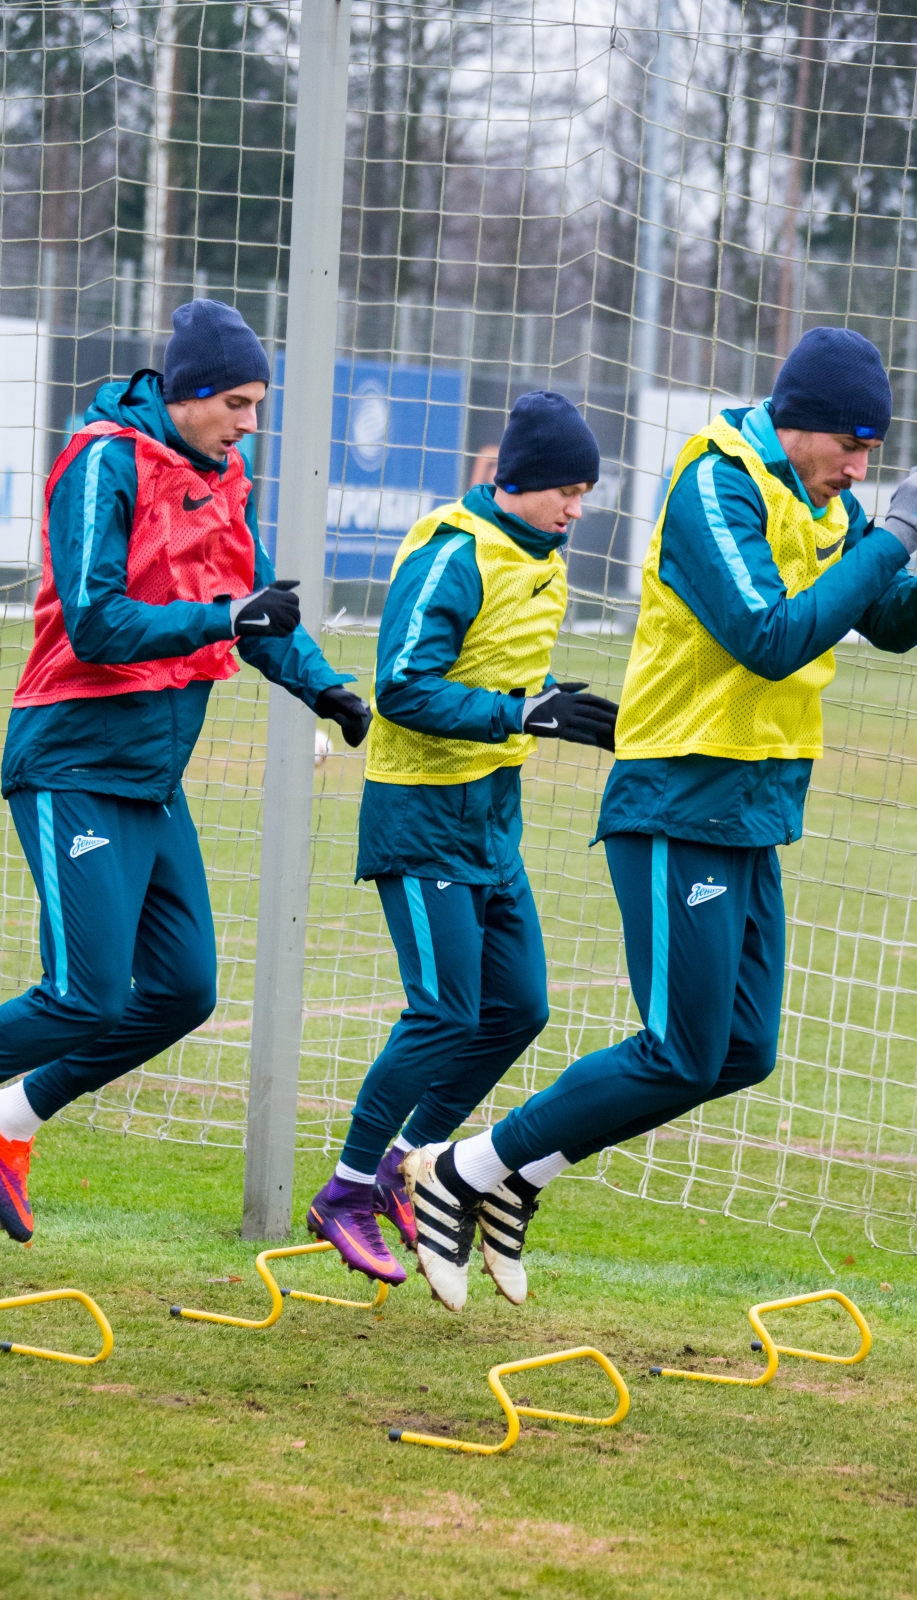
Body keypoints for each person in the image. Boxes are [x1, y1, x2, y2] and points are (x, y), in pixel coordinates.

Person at [400, 326, 917, 1307]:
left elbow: (884, 620)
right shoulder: (712, 482)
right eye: (849, 446)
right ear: (800, 424)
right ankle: (457, 1171)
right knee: (679, 1046)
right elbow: (769, 637)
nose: (858, 468)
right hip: (675, 794)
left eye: (868, 455)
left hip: (753, 801)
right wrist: (895, 532)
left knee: (738, 1051)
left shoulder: (824, 499)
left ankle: (518, 1177)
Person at [0, 299, 371, 1243]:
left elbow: (252, 611)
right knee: (84, 992)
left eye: (259, 405)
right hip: (73, 760)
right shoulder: (101, 462)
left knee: (183, 991)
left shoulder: (224, 476)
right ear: (190, 394)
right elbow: (95, 623)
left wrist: (324, 688)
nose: (252, 423)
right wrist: (224, 622)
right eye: (239, 404)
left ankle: (9, 1118)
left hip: (151, 777)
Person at [303, 391, 619, 1307]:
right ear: (513, 481)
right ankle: (348, 1189)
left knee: (517, 1008)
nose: (575, 507)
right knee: (442, 1012)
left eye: (585, 492)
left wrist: (550, 699)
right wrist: (521, 712)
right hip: (422, 812)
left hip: (491, 816)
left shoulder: (544, 561)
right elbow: (402, 688)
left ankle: (411, 1163)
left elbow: (502, 672)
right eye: (564, 488)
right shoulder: (452, 552)